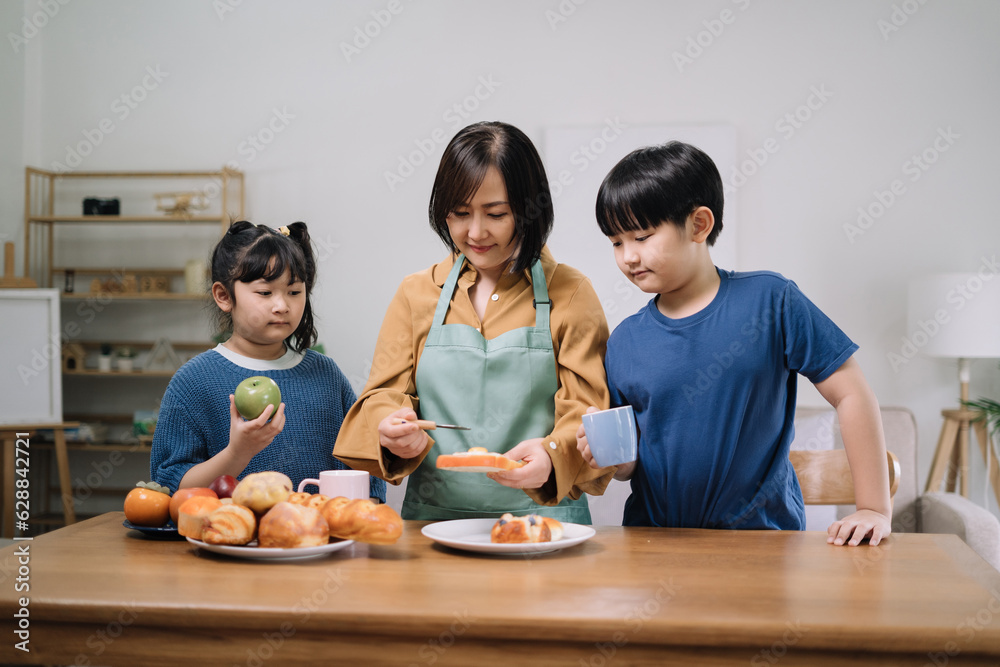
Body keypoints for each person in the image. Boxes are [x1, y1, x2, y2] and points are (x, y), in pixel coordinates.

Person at [576, 141, 891, 546]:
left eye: (642, 236)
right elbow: (630, 466)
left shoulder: (771, 300)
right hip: (654, 546)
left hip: (764, 546)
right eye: (616, 243)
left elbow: (852, 394)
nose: (628, 257)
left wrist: (873, 508)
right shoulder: (625, 341)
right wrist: (609, 455)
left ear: (699, 224)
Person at [334, 121, 614, 522]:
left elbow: (589, 414)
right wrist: (390, 426)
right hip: (433, 527)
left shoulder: (571, 292)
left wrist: (552, 456)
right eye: (460, 213)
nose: (476, 232)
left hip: (546, 528)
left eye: (496, 214)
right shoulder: (416, 293)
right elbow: (382, 394)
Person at [151, 220, 386, 502]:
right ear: (224, 296)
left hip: (319, 530)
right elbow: (170, 488)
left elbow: (365, 469)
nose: (282, 306)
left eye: (294, 292)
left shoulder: (326, 374)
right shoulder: (193, 381)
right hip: (230, 530)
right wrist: (238, 452)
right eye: (265, 293)